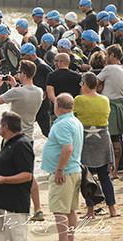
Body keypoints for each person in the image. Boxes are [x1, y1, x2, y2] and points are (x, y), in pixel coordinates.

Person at [0, 59, 45, 221]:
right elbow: (24, 95)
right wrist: (15, 85)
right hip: (29, 138)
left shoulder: (18, 92)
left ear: (23, 73)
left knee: (5, 173)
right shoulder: (39, 91)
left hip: (12, 139)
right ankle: (38, 209)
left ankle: (6, 208)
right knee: (28, 174)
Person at [0, 111, 35, 241]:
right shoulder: (9, 143)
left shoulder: (22, 144)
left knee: (17, 238)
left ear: (5, 127)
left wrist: (4, 180)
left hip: (13, 205)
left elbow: (27, 175)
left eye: (0, 126)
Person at [73, 72, 119, 218]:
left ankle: (90, 211)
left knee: (88, 176)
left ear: (85, 84)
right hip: (102, 138)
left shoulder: (79, 100)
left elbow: (74, 117)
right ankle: (112, 210)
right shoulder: (105, 99)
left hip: (86, 138)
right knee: (105, 175)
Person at [41, 93, 84, 241]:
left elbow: (67, 148)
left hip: (64, 172)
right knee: (70, 210)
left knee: (59, 210)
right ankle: (69, 238)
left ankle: (63, 239)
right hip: (74, 169)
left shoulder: (62, 124)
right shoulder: (75, 121)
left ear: (57, 106)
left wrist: (60, 169)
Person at [98, 44, 123, 179]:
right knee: (117, 138)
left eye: (107, 54)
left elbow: (93, 83)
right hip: (121, 104)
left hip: (110, 105)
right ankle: (115, 171)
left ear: (112, 55)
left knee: (109, 138)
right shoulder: (121, 68)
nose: (105, 57)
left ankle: (110, 171)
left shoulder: (108, 69)